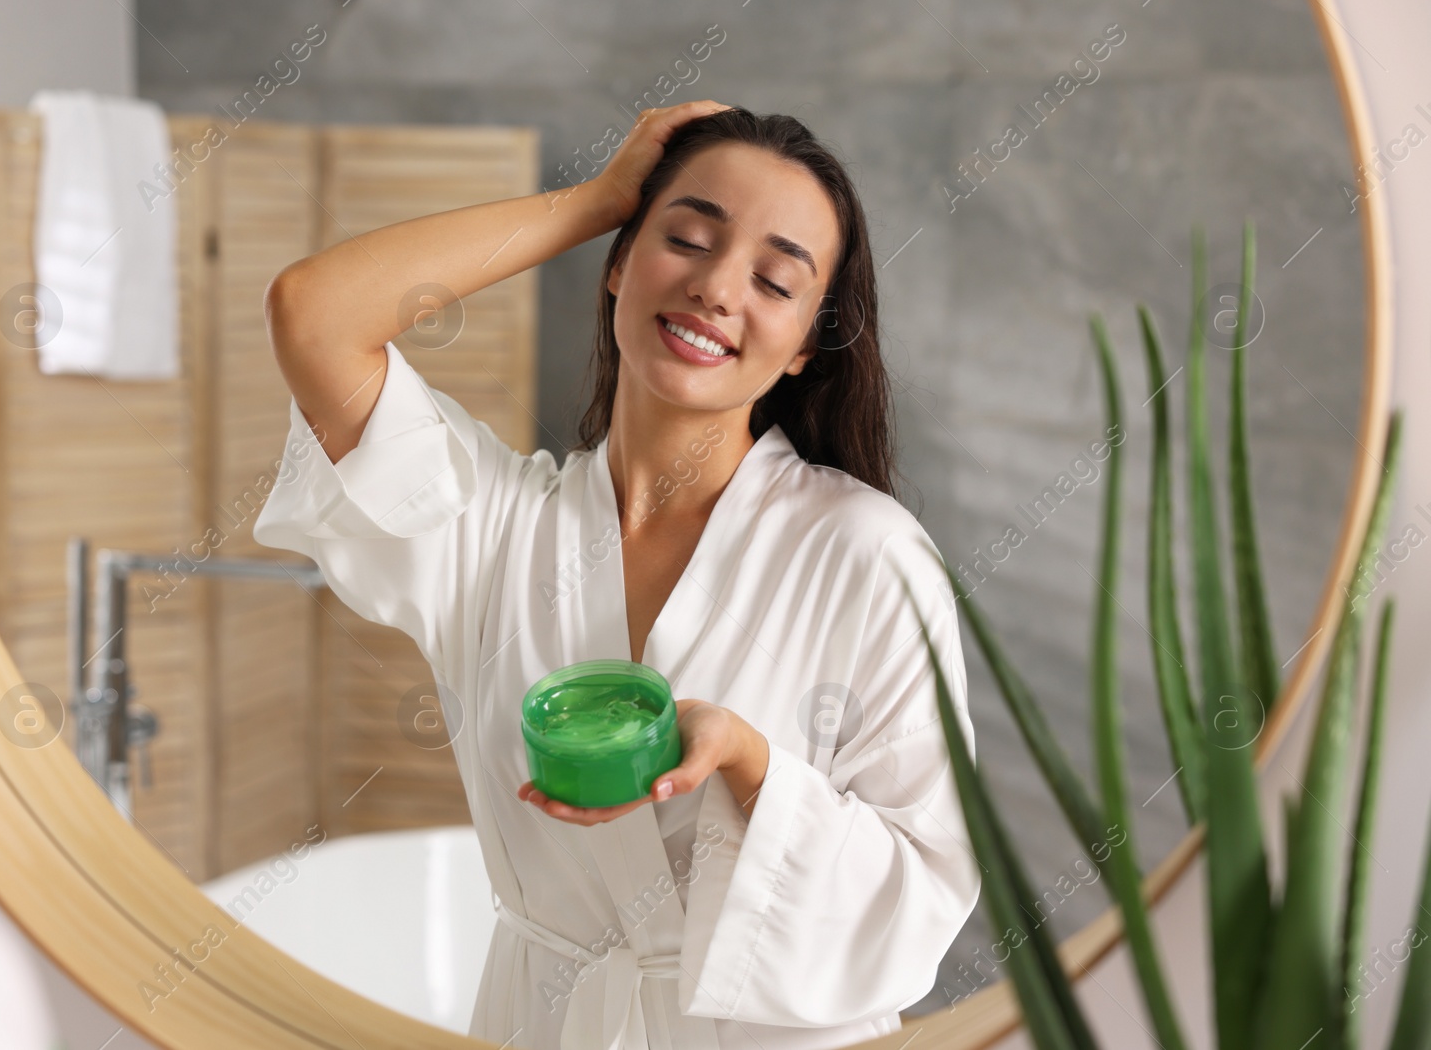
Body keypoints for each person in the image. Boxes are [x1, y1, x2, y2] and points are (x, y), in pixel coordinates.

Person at [252, 100, 981, 1050]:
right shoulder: (494, 527)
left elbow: (928, 881)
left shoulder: (866, 553)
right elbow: (314, 310)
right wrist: (595, 199)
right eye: (685, 237)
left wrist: (752, 764)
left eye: (773, 278)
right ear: (618, 266)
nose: (718, 288)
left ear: (806, 343)